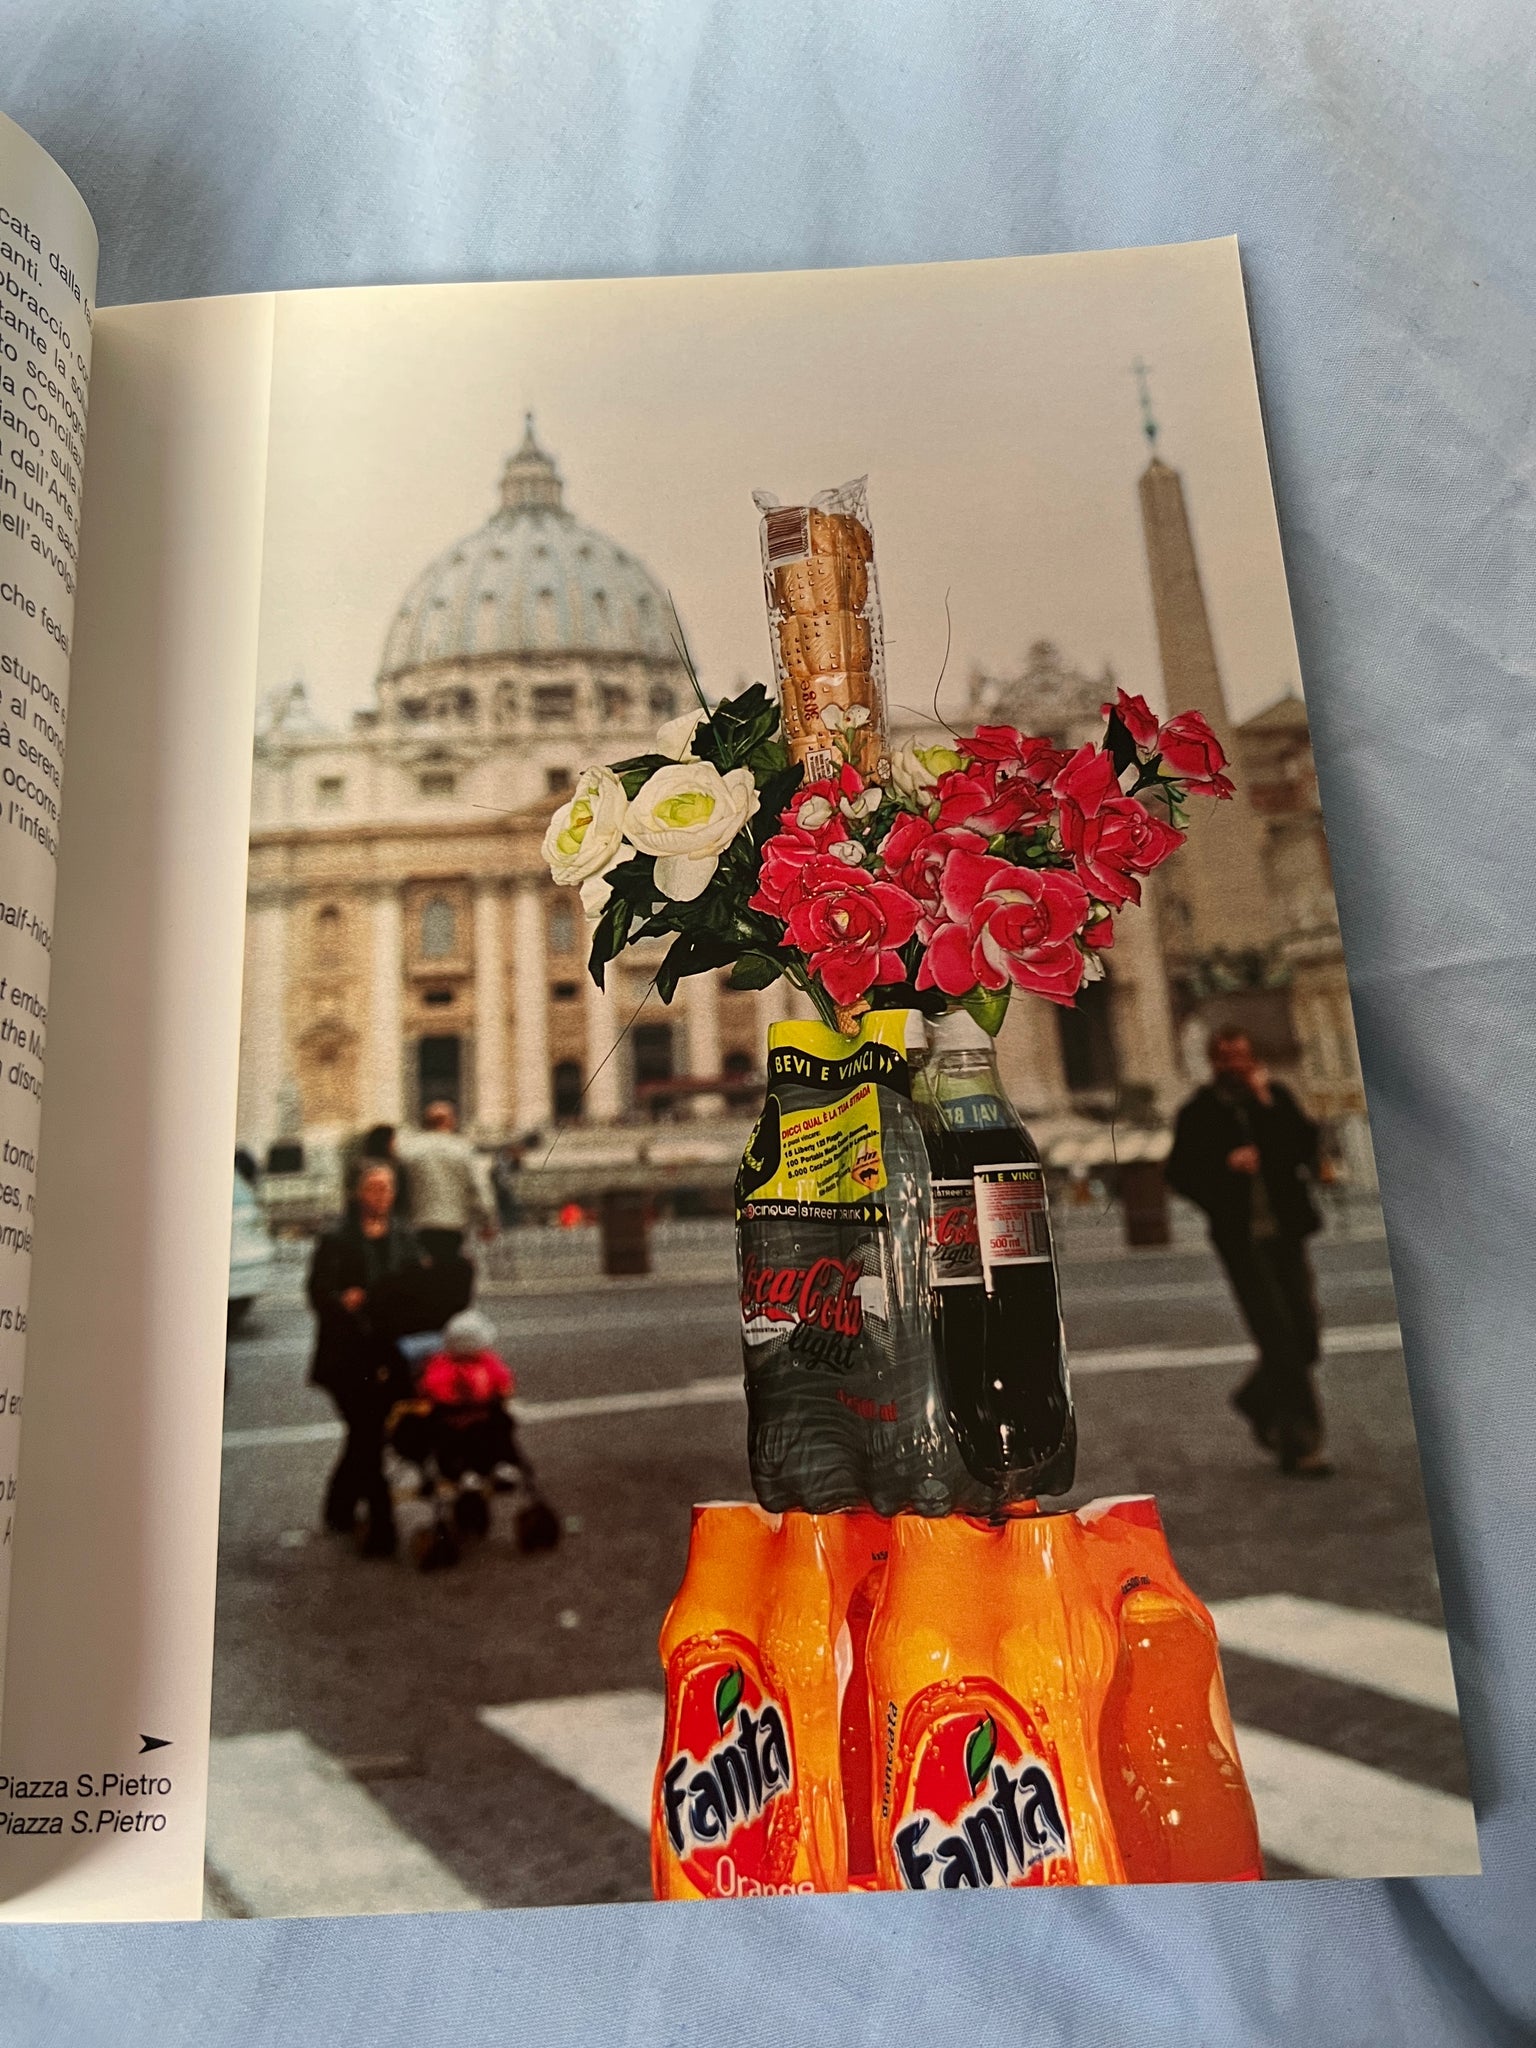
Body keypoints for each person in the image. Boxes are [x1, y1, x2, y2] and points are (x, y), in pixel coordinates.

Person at [1165, 1027, 1332, 1476]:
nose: (1234, 1065)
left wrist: (1267, 1103)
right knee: (1279, 1339)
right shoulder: (1199, 1112)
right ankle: (1302, 1444)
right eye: (1226, 1057)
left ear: (1253, 1058)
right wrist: (1224, 1168)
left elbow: (1304, 1148)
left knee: (1306, 1333)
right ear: (1213, 1061)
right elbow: (1179, 1173)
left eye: (1241, 1056)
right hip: (1241, 1241)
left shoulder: (1275, 1099)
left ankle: (1255, 1399)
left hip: (1287, 1232)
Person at [306, 1158, 430, 1555]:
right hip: (345, 1353)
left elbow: (417, 1281)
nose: (381, 1195)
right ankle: (379, 1521)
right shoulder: (336, 1238)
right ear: (358, 1194)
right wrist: (341, 1300)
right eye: (373, 1188)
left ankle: (340, 1508)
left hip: (387, 1348)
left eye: (387, 1188)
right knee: (365, 1430)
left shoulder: (404, 1235)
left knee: (367, 1432)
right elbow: (316, 1292)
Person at [395, 1099, 496, 1266]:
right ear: (451, 1121)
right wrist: (488, 1221)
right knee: (450, 1267)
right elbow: (479, 1187)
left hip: (418, 1222)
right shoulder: (464, 1149)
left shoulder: (408, 1150)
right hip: (454, 1224)